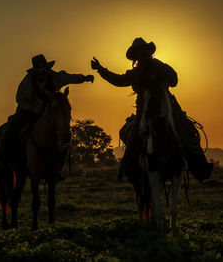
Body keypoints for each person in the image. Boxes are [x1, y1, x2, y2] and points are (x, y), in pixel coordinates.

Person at [91, 37, 213, 182]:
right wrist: (100, 69)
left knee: (187, 131)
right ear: (136, 56)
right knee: (132, 136)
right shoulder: (134, 73)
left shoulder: (161, 66)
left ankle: (200, 169)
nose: (142, 54)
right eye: (139, 52)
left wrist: (163, 83)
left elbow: (174, 80)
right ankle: (127, 168)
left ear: (149, 51)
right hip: (144, 109)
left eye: (144, 50)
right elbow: (118, 80)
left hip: (168, 106)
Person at [0, 54, 94, 180]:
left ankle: (58, 168)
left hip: (49, 112)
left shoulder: (55, 77)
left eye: (44, 70)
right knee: (12, 128)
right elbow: (20, 99)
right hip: (27, 111)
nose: (42, 73)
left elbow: (70, 77)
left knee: (63, 132)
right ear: (35, 72)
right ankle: (0, 161)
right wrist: (34, 109)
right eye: (39, 71)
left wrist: (84, 78)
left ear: (48, 69)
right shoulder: (27, 82)